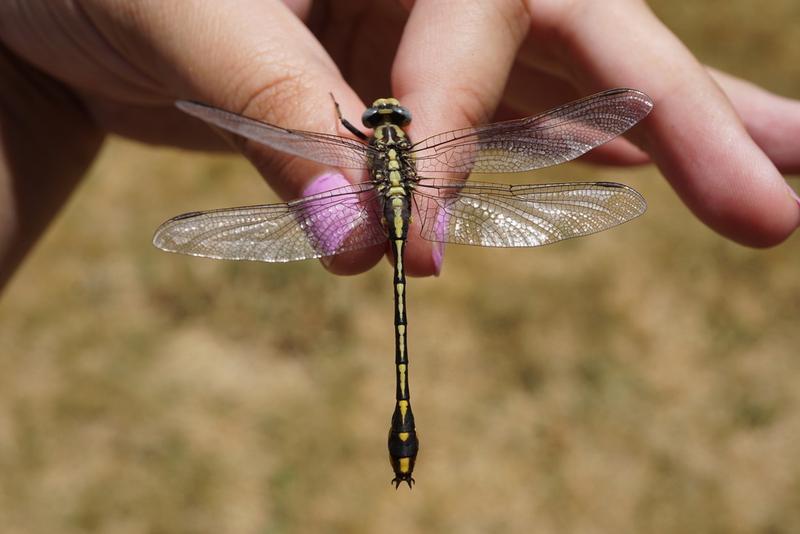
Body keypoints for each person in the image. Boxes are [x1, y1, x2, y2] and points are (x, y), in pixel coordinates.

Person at [1, 0, 798, 288]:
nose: (386, 119)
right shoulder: (411, 144)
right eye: (385, 121)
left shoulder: (357, 141)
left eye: (390, 120)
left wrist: (41, 94)